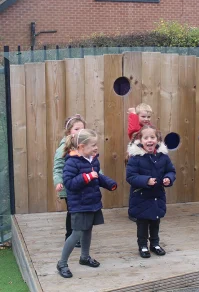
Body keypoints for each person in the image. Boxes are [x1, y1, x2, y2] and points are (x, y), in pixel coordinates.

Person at [56, 129, 117, 278]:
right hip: (78, 205)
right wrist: (86, 177)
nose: (96, 148)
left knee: (88, 230)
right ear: (82, 147)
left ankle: (84, 257)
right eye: (93, 145)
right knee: (76, 233)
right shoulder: (71, 162)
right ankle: (62, 263)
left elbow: (97, 177)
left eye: (96, 144)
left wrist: (109, 183)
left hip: (92, 202)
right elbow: (69, 183)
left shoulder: (93, 159)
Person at [126, 125, 176, 258]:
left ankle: (155, 243)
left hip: (157, 196)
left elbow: (171, 171)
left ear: (157, 139)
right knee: (142, 223)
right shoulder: (135, 158)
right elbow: (131, 177)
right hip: (141, 197)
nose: (149, 140)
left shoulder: (163, 157)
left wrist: (168, 179)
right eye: (146, 137)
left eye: (152, 137)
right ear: (140, 140)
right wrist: (146, 180)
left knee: (155, 221)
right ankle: (142, 246)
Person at [53, 114, 86, 247]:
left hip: (83, 185)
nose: (80, 132)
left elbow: (92, 164)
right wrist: (58, 182)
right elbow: (58, 167)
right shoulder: (64, 148)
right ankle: (70, 235)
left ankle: (81, 234)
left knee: (83, 211)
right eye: (76, 129)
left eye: (82, 129)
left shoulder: (85, 146)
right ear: (69, 132)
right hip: (69, 186)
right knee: (73, 211)